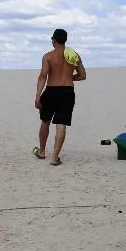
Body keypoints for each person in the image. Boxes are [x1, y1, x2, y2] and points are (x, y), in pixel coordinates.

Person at [33, 28, 87, 166]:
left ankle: (42, 152)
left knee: (45, 121)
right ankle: (55, 158)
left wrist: (38, 96)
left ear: (54, 40)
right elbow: (82, 75)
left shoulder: (48, 57)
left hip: (51, 91)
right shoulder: (74, 56)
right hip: (67, 92)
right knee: (61, 125)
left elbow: (43, 76)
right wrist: (69, 78)